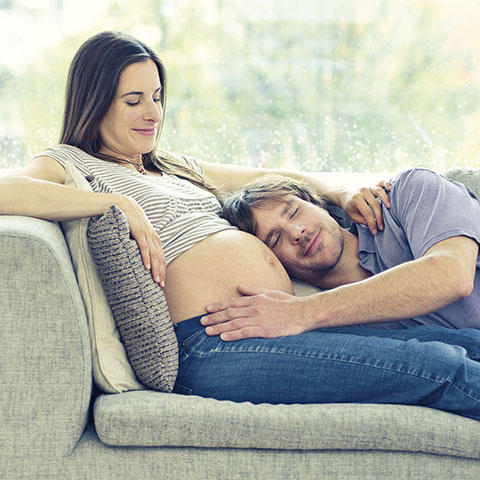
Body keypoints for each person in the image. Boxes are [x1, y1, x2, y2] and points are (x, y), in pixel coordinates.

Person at [2, 31, 480, 421]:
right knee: (442, 369)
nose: (153, 114)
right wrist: (113, 203)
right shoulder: (67, 164)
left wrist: (333, 193)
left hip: (279, 329)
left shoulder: (173, 166)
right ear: (96, 101)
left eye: (157, 97)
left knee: (464, 345)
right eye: (133, 101)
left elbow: (270, 180)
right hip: (211, 346)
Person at [208, 169, 480, 338]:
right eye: (276, 239)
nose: (297, 232)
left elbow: (452, 275)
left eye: (293, 212)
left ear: (317, 204)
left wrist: (302, 313)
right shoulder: (331, 328)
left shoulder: (407, 192)